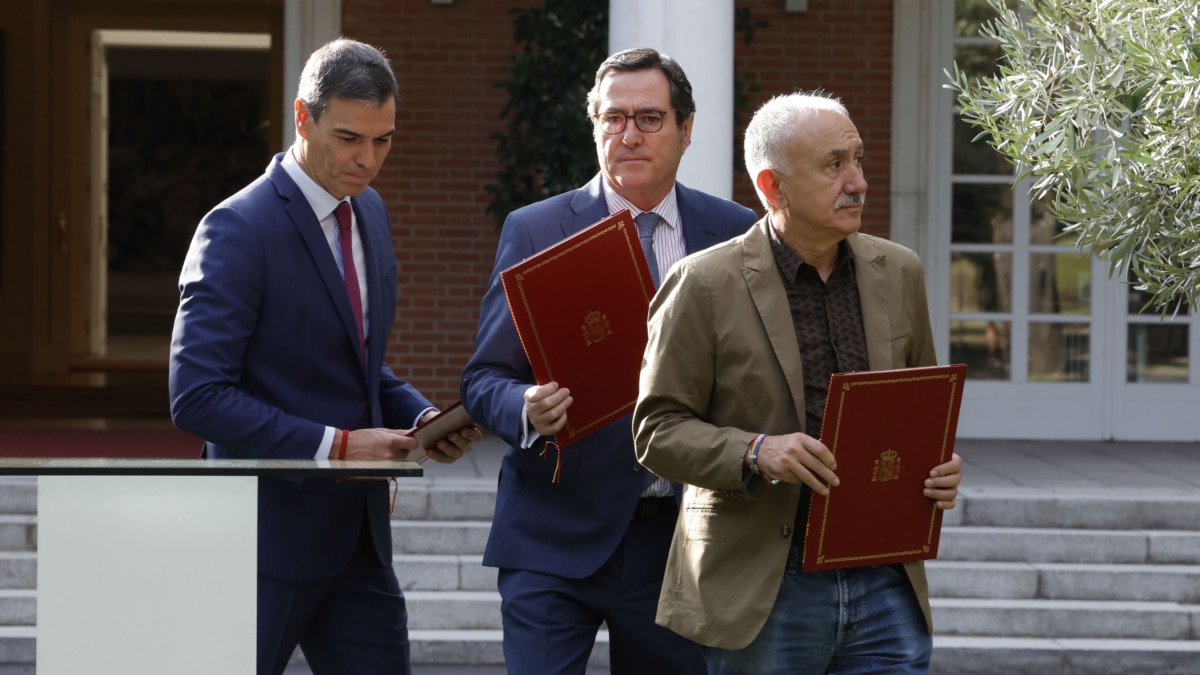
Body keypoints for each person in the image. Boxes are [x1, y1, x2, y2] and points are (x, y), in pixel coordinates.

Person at [169, 38, 480, 675]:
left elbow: (357, 361)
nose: (367, 160)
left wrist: (422, 420)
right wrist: (338, 446)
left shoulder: (370, 213)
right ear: (302, 118)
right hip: (259, 534)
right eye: (349, 138)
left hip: (359, 538)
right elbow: (196, 395)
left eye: (383, 140)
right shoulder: (236, 229)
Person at [632, 91, 964, 674]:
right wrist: (757, 451)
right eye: (834, 165)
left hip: (885, 580)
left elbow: (919, 409)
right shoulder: (703, 284)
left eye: (857, 160)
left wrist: (936, 468)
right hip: (764, 585)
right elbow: (657, 433)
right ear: (773, 186)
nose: (857, 181)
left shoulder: (900, 271)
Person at [460, 47, 757, 674]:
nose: (629, 134)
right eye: (612, 118)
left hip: (679, 543)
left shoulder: (734, 233)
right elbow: (483, 379)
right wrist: (524, 406)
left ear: (686, 128)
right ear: (594, 125)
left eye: (649, 118)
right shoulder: (536, 229)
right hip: (552, 532)